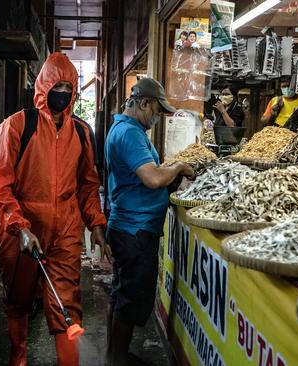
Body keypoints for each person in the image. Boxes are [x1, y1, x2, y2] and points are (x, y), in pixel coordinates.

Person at [0, 52, 108, 366]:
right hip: (22, 234)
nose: (63, 94)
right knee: (18, 300)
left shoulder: (82, 132)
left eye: (69, 89)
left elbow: (87, 185)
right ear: (44, 87)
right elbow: (0, 186)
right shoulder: (17, 126)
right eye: (58, 87)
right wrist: (20, 226)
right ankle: (19, 358)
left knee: (66, 303)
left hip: (66, 232)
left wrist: (95, 222)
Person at [104, 78, 195, 366]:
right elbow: (152, 178)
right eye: (156, 109)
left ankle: (114, 355)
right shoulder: (130, 133)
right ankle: (117, 359)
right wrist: (178, 166)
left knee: (122, 297)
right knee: (130, 300)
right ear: (143, 103)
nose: (158, 117)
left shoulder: (126, 129)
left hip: (128, 227)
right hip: (135, 231)